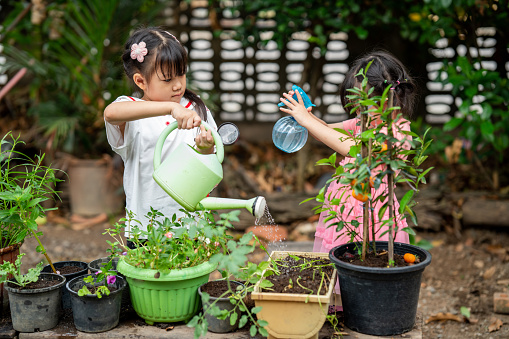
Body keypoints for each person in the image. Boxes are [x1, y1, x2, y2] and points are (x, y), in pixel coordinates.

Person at [279, 50, 417, 310]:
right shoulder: (365, 121)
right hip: (345, 215)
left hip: (373, 219)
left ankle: (370, 313)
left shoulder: (398, 132)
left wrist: (307, 120)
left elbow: (353, 149)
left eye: (364, 102)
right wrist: (308, 116)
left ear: (390, 99)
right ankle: (343, 314)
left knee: (369, 266)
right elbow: (328, 132)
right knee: (341, 270)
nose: (359, 108)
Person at [104, 27, 217, 244]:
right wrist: (170, 108)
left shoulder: (196, 108)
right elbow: (111, 113)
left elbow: (210, 160)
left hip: (191, 225)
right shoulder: (132, 111)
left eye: (181, 74)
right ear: (140, 81)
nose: (178, 85)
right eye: (167, 79)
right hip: (145, 227)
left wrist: (206, 148)